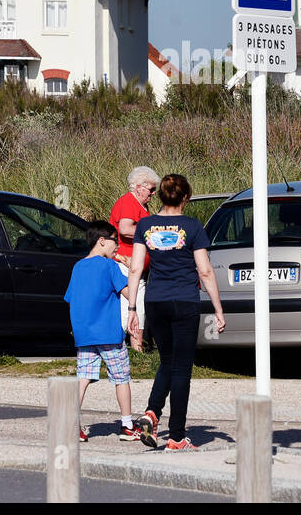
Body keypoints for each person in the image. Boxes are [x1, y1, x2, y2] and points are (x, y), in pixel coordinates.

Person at [127, 174, 226, 450]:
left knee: (168, 362)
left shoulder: (145, 225)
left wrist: (132, 307)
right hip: (184, 301)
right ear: (186, 198)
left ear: (160, 197)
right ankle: (177, 436)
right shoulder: (193, 227)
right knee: (182, 369)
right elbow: (204, 271)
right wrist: (218, 308)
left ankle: (151, 412)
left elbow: (135, 268)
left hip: (155, 301)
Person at [63, 222, 141, 442]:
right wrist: (131, 272)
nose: (117, 246)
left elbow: (71, 298)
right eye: (115, 241)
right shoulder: (110, 267)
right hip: (108, 334)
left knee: (83, 378)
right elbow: (127, 293)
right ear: (102, 241)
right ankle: (127, 425)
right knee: (121, 378)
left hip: (84, 335)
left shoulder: (78, 267)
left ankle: (70, 424)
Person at [111, 166, 159, 351]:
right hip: (127, 264)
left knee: (138, 306)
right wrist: (152, 236)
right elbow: (125, 229)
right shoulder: (129, 202)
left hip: (137, 265)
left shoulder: (140, 204)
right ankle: (131, 350)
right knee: (132, 306)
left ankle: (136, 349)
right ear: (138, 186)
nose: (153, 194)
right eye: (151, 189)